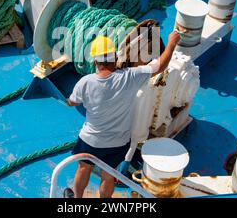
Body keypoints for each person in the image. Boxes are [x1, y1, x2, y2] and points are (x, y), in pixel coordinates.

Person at [64, 30, 181, 198]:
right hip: (118, 143)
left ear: (96, 61)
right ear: (115, 58)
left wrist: (69, 101)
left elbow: (72, 102)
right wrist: (171, 42)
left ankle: (76, 199)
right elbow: (160, 66)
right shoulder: (131, 77)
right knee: (108, 174)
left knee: (84, 168)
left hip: (91, 141)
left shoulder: (85, 82)